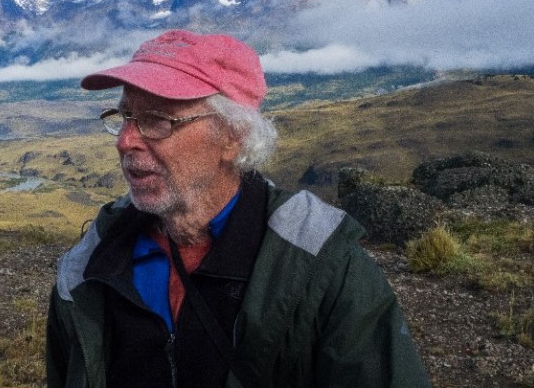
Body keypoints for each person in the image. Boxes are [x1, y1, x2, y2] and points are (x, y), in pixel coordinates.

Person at [46, 29, 431, 387]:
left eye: (156, 120)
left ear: (233, 136)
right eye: (126, 117)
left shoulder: (324, 267)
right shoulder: (88, 268)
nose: (126, 141)